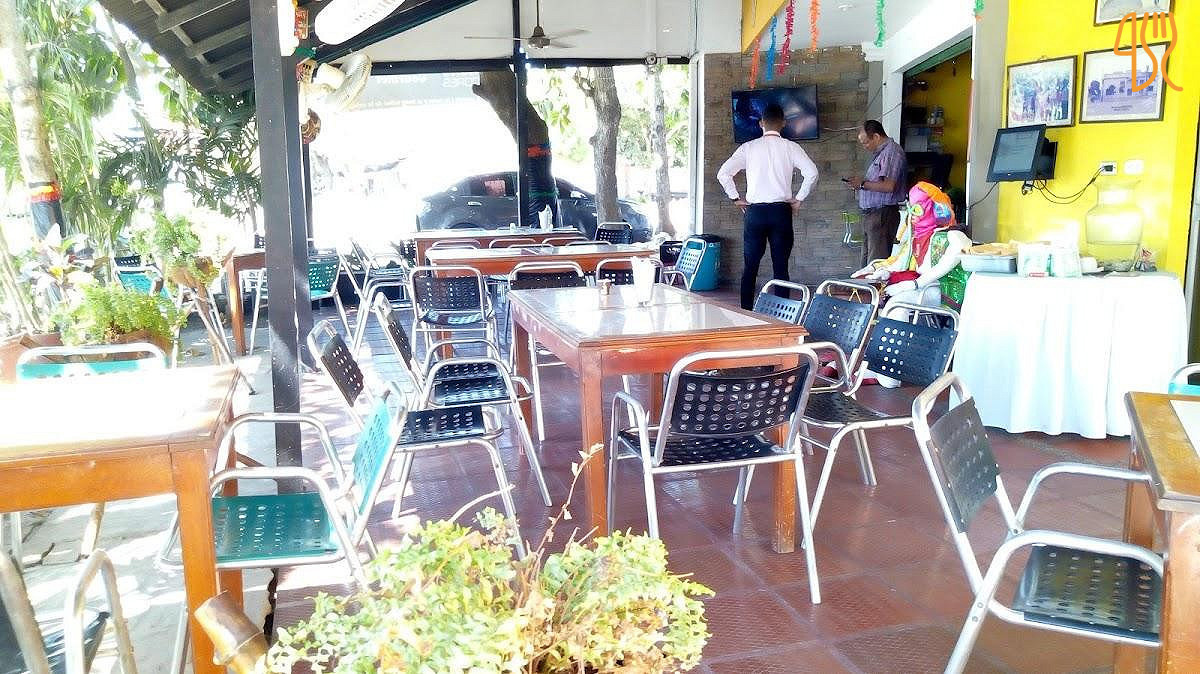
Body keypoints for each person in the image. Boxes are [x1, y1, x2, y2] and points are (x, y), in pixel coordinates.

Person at [716, 102, 819, 309]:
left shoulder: (748, 148)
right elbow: (812, 173)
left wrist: (735, 198)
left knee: (750, 266)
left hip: (755, 212)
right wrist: (799, 198)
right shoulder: (791, 147)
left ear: (761, 123)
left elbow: (723, 173)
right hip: (781, 212)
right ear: (783, 123)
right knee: (781, 267)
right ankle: (781, 314)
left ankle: (745, 312)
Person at [848, 120, 908, 267]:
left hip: (882, 214)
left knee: (876, 263)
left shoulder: (891, 153)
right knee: (867, 264)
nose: (865, 147)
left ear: (876, 136)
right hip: (873, 215)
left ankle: (874, 283)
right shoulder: (881, 154)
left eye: (866, 142)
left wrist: (863, 184)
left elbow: (889, 186)